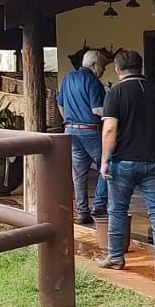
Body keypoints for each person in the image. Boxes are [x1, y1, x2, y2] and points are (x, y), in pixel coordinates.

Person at [99, 48, 155, 275]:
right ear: (140, 67)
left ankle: (115, 256)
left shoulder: (115, 93)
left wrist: (104, 161)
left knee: (118, 210)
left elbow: (109, 130)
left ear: (117, 69)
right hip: (152, 161)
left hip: (123, 161)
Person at [57, 49, 109, 224]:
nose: (103, 70)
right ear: (94, 65)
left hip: (70, 130)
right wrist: (116, 113)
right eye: (102, 66)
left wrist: (71, 123)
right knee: (108, 165)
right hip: (90, 130)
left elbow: (61, 105)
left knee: (78, 174)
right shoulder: (93, 81)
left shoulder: (67, 78)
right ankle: (100, 205)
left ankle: (82, 213)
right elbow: (97, 110)